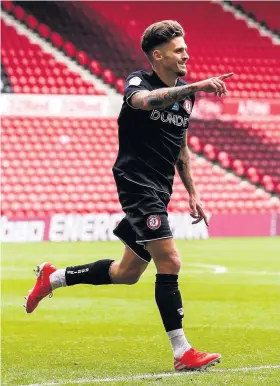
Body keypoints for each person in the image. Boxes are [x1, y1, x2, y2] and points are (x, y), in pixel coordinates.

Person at [25, 20, 233, 372]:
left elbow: (181, 147)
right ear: (158, 55)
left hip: (160, 188)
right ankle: (183, 352)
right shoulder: (139, 81)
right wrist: (195, 85)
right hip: (136, 183)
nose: (187, 54)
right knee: (170, 261)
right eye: (179, 50)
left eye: (185, 48)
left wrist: (193, 193)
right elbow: (143, 101)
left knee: (127, 272)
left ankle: (53, 277)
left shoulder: (186, 97)